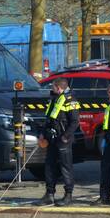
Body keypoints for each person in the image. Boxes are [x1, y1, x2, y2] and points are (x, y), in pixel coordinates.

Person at [34, 77, 79, 207]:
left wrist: (65, 136)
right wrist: (43, 133)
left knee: (65, 167)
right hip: (52, 138)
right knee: (49, 165)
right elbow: (49, 118)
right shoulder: (55, 99)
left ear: (59, 88)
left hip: (63, 139)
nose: (51, 89)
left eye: (53, 87)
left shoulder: (70, 100)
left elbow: (75, 121)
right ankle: (49, 194)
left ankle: (68, 195)